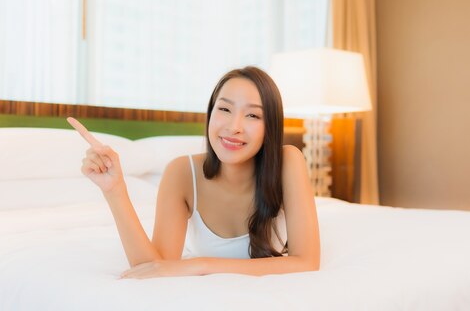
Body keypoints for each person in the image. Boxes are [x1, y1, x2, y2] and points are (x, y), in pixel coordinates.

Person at [68, 66, 320, 279]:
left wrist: (201, 264)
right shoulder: (182, 172)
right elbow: (156, 268)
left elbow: (306, 262)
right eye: (224, 109)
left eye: (253, 115)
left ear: (270, 127)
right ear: (210, 114)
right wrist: (115, 191)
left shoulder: (289, 161)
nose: (234, 127)